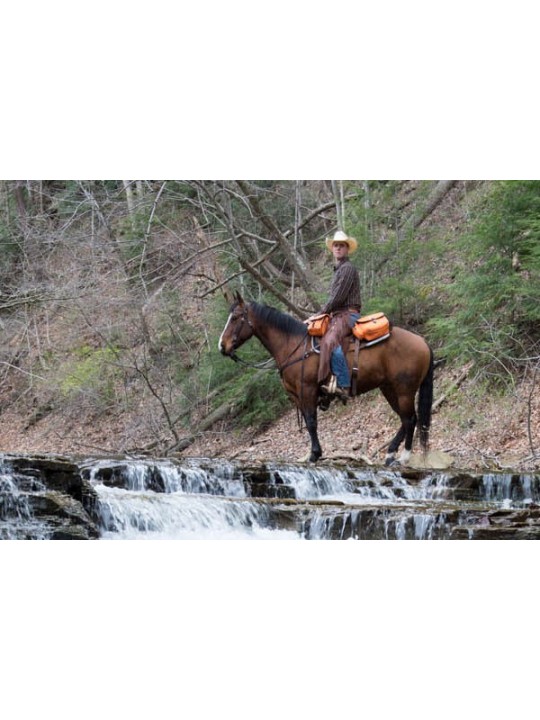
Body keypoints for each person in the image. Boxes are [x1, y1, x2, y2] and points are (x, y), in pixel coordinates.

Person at [307, 230, 361, 403]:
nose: (338, 248)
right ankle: (328, 382)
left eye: (342, 245)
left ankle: (343, 385)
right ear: (332, 249)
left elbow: (337, 298)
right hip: (338, 315)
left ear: (347, 249)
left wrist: (318, 314)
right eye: (336, 245)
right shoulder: (338, 270)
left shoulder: (347, 269)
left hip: (348, 314)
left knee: (329, 342)